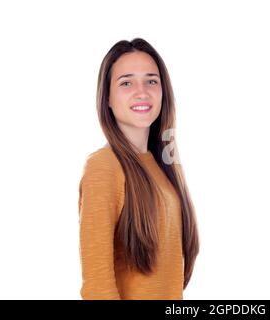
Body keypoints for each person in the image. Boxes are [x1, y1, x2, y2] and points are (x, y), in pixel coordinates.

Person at [78, 38, 200, 300]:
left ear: (163, 90)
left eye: (151, 81)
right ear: (107, 98)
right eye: (126, 82)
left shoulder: (163, 166)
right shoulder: (103, 167)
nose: (141, 91)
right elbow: (97, 287)